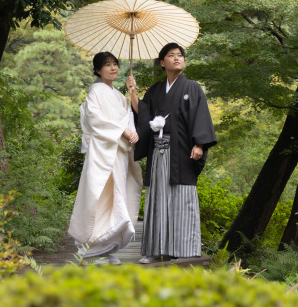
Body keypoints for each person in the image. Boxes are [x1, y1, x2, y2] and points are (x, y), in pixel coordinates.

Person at [127, 42, 216, 262]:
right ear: (162, 62)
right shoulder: (156, 90)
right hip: (159, 151)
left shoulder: (192, 88)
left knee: (181, 197)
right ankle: (154, 250)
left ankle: (182, 249)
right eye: (171, 55)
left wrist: (200, 144)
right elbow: (144, 114)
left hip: (183, 151)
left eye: (180, 55)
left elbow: (201, 117)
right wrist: (132, 92)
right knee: (157, 197)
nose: (177, 58)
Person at [68, 52, 143, 264]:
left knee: (116, 193)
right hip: (102, 151)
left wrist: (132, 94)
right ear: (98, 70)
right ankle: (92, 246)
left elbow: (128, 117)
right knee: (101, 195)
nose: (113, 68)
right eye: (107, 65)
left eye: (115, 65)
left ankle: (107, 248)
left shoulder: (120, 96)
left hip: (118, 153)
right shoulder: (95, 90)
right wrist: (123, 131)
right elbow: (94, 119)